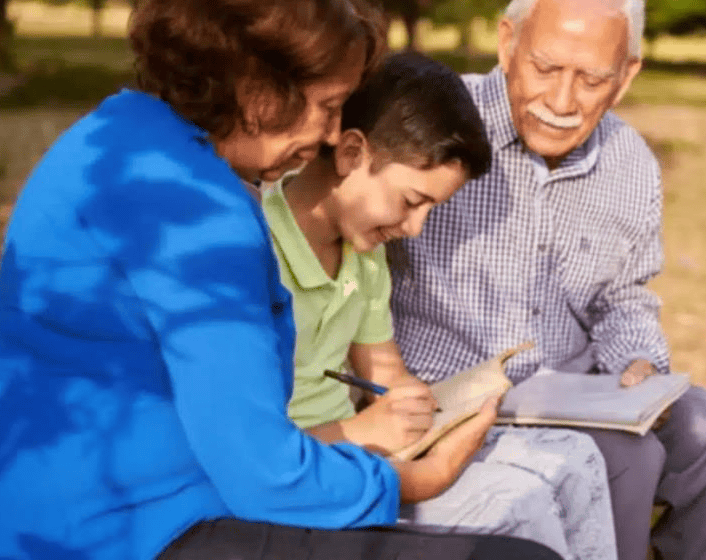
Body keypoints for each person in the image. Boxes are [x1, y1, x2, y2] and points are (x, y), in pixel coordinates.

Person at [0, 0, 563, 560]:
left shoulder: (114, 133)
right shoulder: (194, 209)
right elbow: (265, 475)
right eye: (328, 105)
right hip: (118, 531)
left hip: (77, 504)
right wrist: (415, 480)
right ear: (260, 87)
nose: (332, 131)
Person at [387, 0, 706, 560]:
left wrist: (640, 361)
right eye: (545, 68)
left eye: (591, 79)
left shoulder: (630, 161)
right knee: (626, 456)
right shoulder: (435, 120)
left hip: (578, 385)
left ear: (625, 76)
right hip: (450, 392)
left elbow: (623, 297)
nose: (562, 101)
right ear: (508, 41)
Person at [261, 50, 617, 560]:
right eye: (411, 201)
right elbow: (252, 447)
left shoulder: (364, 253)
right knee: (520, 506)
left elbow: (384, 369)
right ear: (351, 153)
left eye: (432, 209)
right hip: (308, 473)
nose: (415, 228)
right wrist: (363, 430)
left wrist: (426, 403)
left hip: (372, 449)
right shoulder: (258, 249)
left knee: (578, 459)